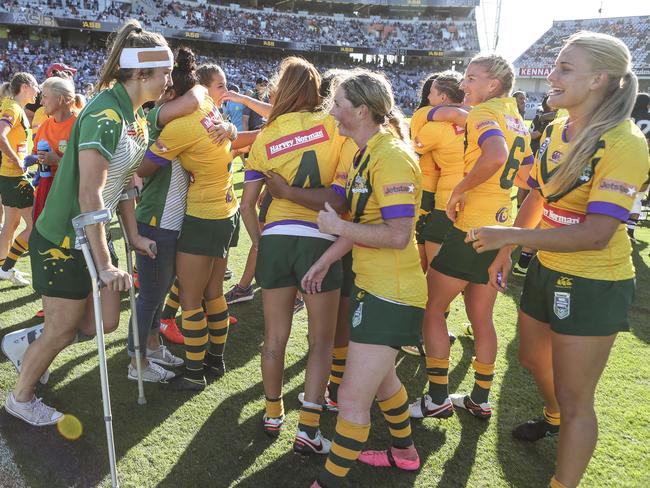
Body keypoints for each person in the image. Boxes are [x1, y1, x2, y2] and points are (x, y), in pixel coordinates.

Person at [466, 32, 649, 488]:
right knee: (530, 359)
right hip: (548, 267)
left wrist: (509, 235)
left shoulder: (623, 142)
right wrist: (510, 250)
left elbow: (597, 234)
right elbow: (536, 194)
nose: (552, 75)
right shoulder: (554, 129)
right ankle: (552, 419)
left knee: (576, 397)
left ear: (598, 80)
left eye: (565, 67)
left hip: (593, 283)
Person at [2, 19, 171, 426]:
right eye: (164, 72)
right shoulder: (105, 115)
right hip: (63, 237)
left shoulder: (136, 115)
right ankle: (21, 397)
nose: (169, 79)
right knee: (61, 328)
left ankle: (26, 344)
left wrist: (132, 236)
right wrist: (108, 262)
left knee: (106, 321)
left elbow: (124, 184)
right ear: (141, 72)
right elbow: (89, 194)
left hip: (91, 233)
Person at [307, 69, 426, 488]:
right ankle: (405, 454)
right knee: (384, 382)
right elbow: (365, 224)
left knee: (352, 401)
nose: (331, 110)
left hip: (391, 293)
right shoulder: (365, 152)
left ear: (361, 110)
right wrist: (326, 258)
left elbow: (397, 235)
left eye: (338, 103)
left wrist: (336, 228)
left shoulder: (390, 156)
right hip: (374, 287)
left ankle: (329, 482)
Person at [240, 57, 346, 453]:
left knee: (274, 336)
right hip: (321, 236)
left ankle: (272, 412)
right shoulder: (335, 126)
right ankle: (309, 428)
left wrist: (259, 243)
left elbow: (248, 204)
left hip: (277, 238)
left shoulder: (266, 136)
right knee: (320, 341)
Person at [418, 54, 532, 421]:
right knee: (481, 318)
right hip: (501, 226)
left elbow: (496, 155)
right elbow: (528, 181)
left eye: (471, 78)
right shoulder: (518, 119)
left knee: (431, 307)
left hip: (472, 228)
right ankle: (480, 398)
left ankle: (437, 397)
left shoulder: (485, 113)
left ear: (492, 84)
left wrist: (460, 188)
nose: (464, 85)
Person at [139, 62, 255, 391]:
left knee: (190, 300)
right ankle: (214, 360)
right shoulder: (205, 101)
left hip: (202, 217)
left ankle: (193, 373)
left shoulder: (179, 128)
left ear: (174, 95)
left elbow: (144, 168)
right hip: (225, 210)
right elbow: (208, 103)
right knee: (213, 294)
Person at [126, 47, 213, 383]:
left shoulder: (178, 121)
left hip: (170, 222)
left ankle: (151, 344)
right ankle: (137, 364)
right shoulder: (158, 117)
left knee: (159, 291)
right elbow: (195, 100)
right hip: (154, 221)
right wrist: (200, 87)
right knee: (149, 294)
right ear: (172, 96)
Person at [0, 72, 39, 286]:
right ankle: (7, 268)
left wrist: (25, 158)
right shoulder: (14, 109)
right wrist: (17, 160)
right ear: (24, 87)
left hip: (9, 176)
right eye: (35, 86)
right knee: (35, 225)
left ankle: (3, 267)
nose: (38, 91)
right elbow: (0, 135)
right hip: (14, 176)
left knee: (11, 223)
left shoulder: (14, 108)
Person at [627, 92, 650, 241]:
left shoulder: (627, 116)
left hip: (626, 159)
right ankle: (630, 230)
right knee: (638, 197)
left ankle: (618, 227)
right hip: (646, 161)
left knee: (617, 193)